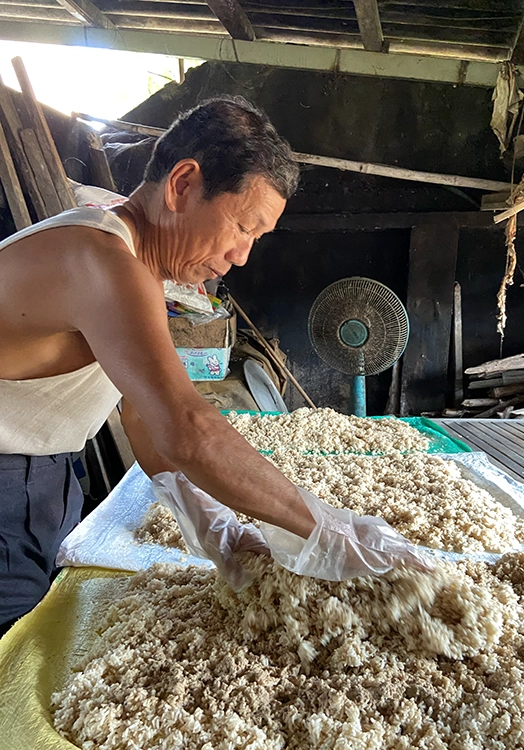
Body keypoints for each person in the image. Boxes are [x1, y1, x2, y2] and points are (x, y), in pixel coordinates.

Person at [0, 96, 430, 635]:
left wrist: (212, 523)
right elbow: (186, 427)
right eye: (244, 227)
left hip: (44, 470)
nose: (243, 255)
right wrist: (326, 531)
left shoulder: (130, 260)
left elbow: (142, 415)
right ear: (183, 184)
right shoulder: (101, 258)